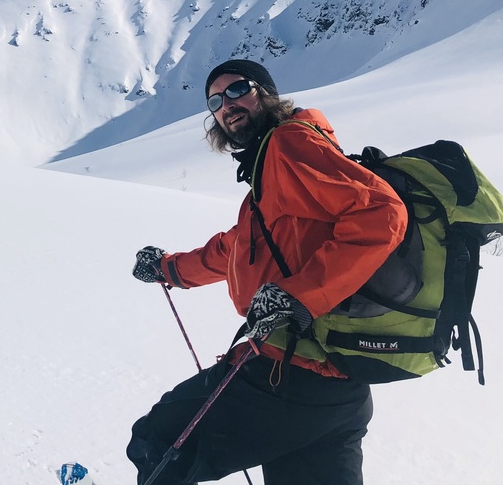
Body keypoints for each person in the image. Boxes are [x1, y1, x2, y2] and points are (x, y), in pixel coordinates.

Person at [126, 59, 408, 485]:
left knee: (157, 439)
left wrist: (299, 294)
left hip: (290, 372)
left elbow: (381, 213)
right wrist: (169, 268)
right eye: (216, 100)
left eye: (238, 89)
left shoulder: (289, 142)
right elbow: (235, 248)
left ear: (267, 93)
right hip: (336, 386)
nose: (227, 104)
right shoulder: (270, 175)